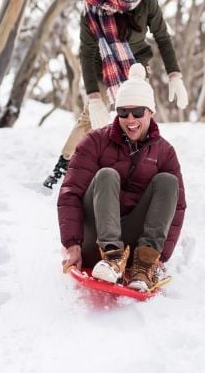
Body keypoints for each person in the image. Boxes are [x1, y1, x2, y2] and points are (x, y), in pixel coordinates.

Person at [43, 0, 188, 189]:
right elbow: (87, 52)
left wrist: (175, 75)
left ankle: (140, 167)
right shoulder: (92, 7)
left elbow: (162, 36)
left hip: (137, 65)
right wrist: (94, 97)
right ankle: (64, 165)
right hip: (102, 66)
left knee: (138, 115)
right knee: (90, 117)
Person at [57, 63, 186, 291]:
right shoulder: (95, 142)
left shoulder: (164, 152)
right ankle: (112, 259)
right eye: (123, 112)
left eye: (137, 112)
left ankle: (144, 265)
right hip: (95, 240)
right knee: (107, 175)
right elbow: (71, 194)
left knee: (168, 182)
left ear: (151, 113)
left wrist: (162, 256)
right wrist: (72, 245)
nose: (130, 119)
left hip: (135, 242)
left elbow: (177, 207)